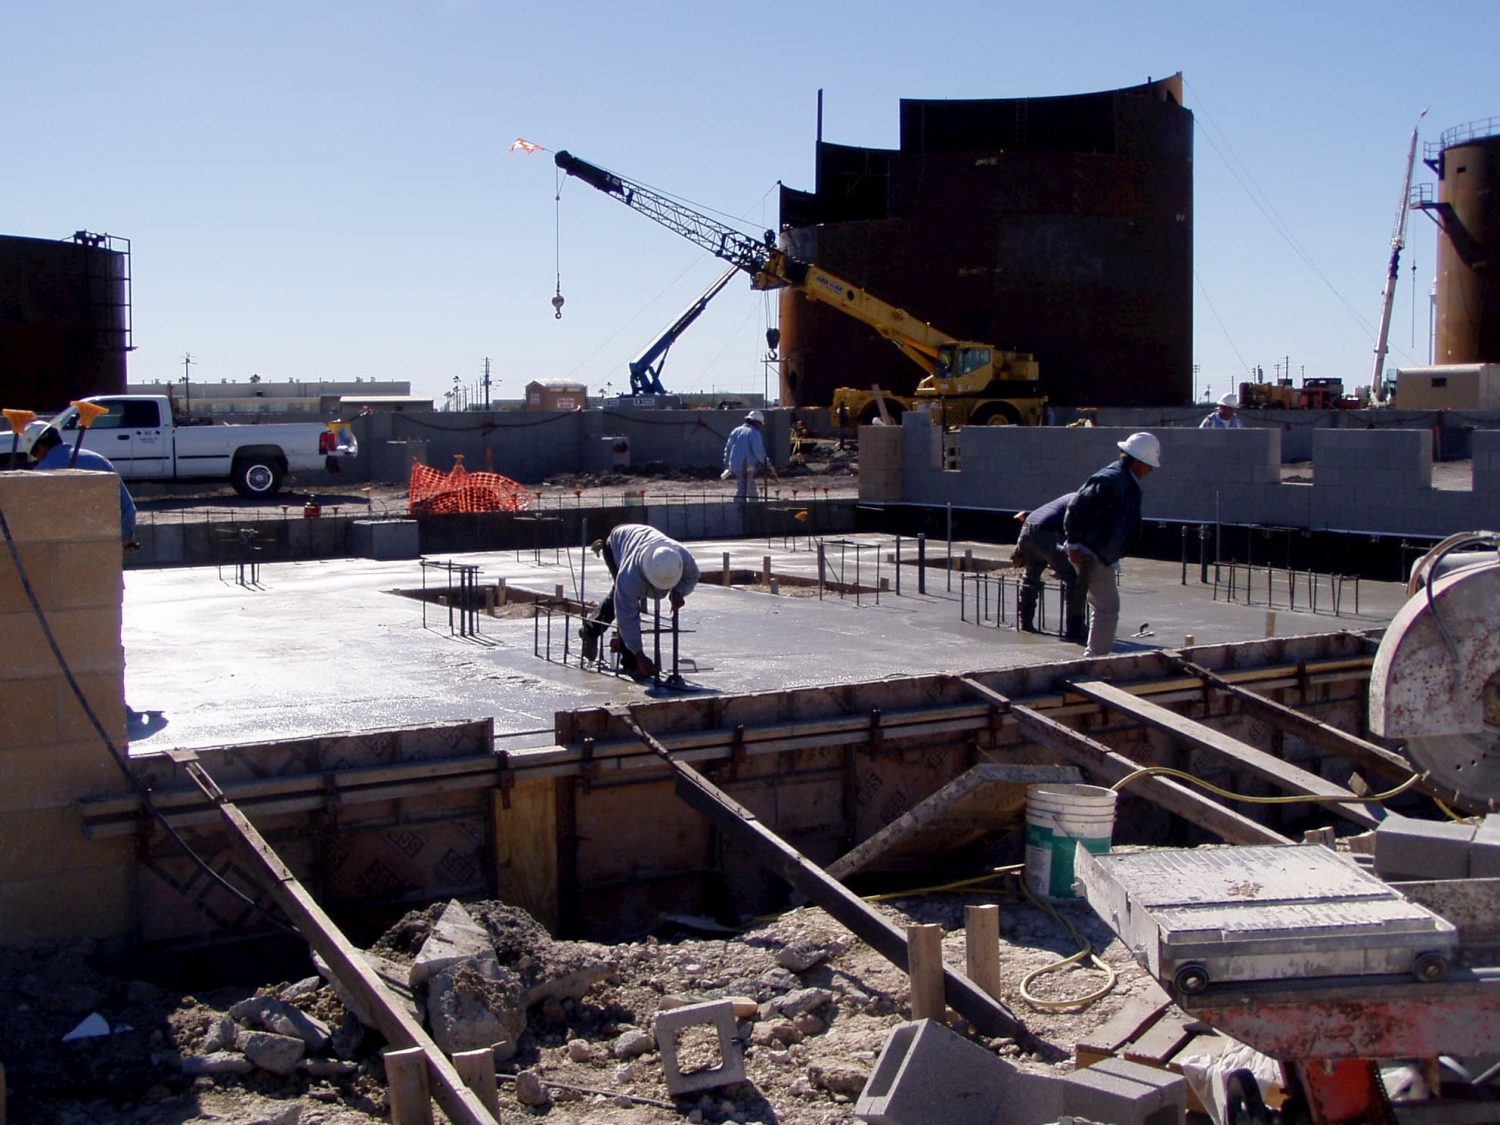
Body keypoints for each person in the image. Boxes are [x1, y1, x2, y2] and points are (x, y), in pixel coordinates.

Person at [1063, 432, 1160, 658]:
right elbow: (1076, 507)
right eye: (1148, 465)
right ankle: (1095, 660)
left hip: (1101, 552)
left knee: (1105, 606)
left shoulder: (1124, 479)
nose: (1151, 470)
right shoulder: (1111, 480)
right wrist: (1075, 544)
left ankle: (1096, 657)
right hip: (1091, 552)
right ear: (1137, 461)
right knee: (1108, 607)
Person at [579, 524, 700, 680]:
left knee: (623, 595)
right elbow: (626, 616)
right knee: (622, 598)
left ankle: (591, 629)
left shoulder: (682, 557)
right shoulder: (630, 576)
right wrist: (639, 655)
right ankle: (629, 662)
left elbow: (692, 577)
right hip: (616, 544)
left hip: (641, 539)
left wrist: (679, 591)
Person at [29, 426, 138, 545]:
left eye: (35, 455)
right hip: (103, 546)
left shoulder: (40, 473)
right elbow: (126, 506)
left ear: (39, 448)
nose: (37, 459)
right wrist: (125, 537)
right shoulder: (99, 460)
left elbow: (35, 519)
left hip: (62, 550)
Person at [1013, 492, 1086, 641]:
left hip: (1027, 529)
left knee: (1031, 576)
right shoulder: (1083, 502)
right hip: (1046, 533)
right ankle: (1075, 628)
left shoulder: (1073, 497)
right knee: (1073, 577)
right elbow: (1075, 530)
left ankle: (1025, 622)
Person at [723, 410, 775, 502]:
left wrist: (727, 464)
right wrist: (768, 464)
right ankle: (745, 510)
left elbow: (728, 448)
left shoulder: (736, 431)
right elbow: (759, 452)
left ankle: (747, 508)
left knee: (748, 487)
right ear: (756, 422)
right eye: (760, 424)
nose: (760, 426)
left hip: (735, 465)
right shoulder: (754, 433)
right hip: (746, 466)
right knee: (745, 489)